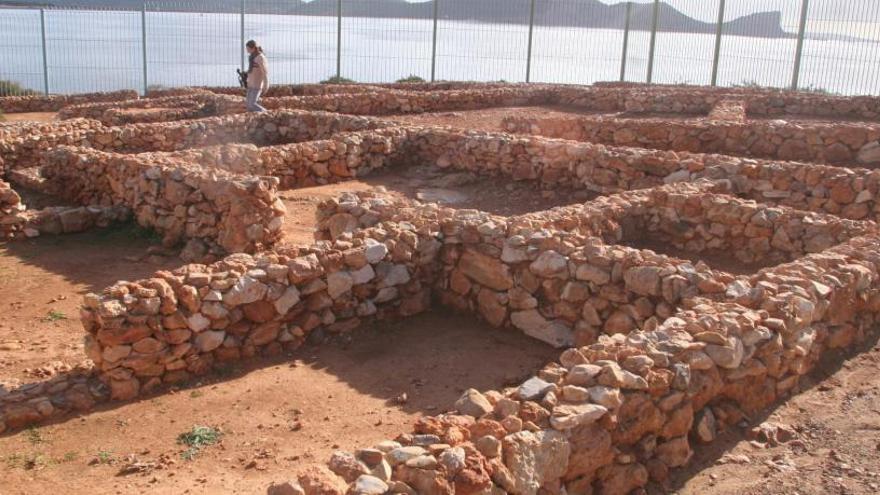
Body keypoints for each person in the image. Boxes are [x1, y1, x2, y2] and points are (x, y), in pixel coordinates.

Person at [245, 40, 269, 112]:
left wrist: (266, 85)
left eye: (247, 48)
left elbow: (265, 72)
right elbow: (253, 70)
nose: (246, 50)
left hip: (257, 85)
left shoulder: (260, 57)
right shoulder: (252, 57)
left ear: (252, 48)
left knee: (252, 104)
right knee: (249, 106)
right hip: (251, 85)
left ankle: (267, 113)